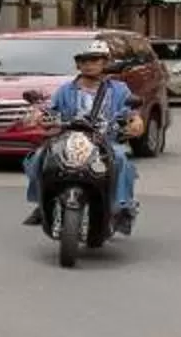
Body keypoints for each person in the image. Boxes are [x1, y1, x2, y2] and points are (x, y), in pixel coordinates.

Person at [22, 44, 140, 232]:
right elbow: (48, 110)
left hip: (104, 141)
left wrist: (135, 122)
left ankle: (123, 208)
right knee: (39, 157)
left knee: (119, 159)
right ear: (78, 65)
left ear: (105, 63)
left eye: (94, 60)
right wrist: (37, 116)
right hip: (68, 139)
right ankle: (42, 203)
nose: (88, 64)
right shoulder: (65, 90)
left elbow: (131, 113)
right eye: (83, 60)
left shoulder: (119, 90)